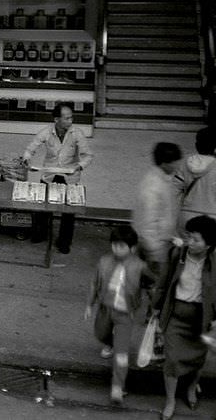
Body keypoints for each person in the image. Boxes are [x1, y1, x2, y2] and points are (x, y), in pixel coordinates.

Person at [153, 215, 216, 420]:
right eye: (188, 237)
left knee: (198, 359)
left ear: (208, 245)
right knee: (171, 360)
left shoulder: (214, 262)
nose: (190, 242)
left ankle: (191, 388)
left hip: (201, 319)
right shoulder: (177, 255)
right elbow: (163, 283)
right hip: (176, 316)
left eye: (196, 240)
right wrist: (155, 309)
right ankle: (170, 400)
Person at [84, 225, 152, 405]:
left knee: (122, 354)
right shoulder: (104, 261)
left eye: (121, 246)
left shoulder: (140, 266)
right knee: (100, 333)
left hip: (125, 315)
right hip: (105, 309)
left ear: (132, 248)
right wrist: (89, 304)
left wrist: (154, 307)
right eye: (114, 245)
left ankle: (117, 386)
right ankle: (110, 343)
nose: (116, 249)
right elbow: (95, 283)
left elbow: (152, 285)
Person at [22, 102, 94, 254]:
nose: (70, 121)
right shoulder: (46, 132)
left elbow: (88, 155)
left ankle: (64, 242)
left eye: (71, 118)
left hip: (69, 177)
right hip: (49, 175)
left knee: (68, 212)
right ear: (56, 119)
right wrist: (27, 159)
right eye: (66, 118)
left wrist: (78, 166)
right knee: (42, 206)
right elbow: (31, 148)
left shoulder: (77, 133)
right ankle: (40, 234)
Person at [133, 142, 183, 279]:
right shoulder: (154, 185)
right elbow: (148, 220)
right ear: (165, 163)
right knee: (156, 287)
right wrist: (154, 251)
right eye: (176, 162)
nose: (178, 165)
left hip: (159, 243)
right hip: (156, 247)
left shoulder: (161, 180)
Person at [173, 127, 216, 230]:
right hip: (212, 217)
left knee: (187, 245)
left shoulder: (184, 163)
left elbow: (173, 191)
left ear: (196, 145)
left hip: (186, 216)